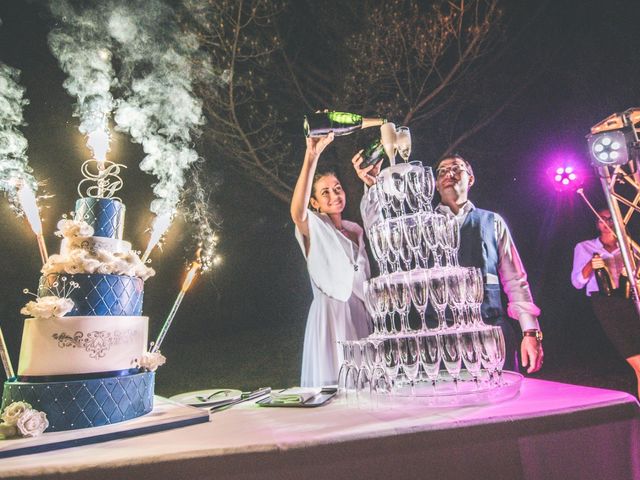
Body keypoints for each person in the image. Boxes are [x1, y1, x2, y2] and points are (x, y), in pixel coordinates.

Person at [353, 153, 544, 373]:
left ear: (470, 179)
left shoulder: (492, 222)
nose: (448, 174)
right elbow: (381, 236)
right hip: (440, 339)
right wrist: (373, 189)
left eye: (456, 168)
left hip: (491, 333)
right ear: (434, 184)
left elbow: (516, 281)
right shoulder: (420, 226)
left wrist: (530, 332)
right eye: (441, 171)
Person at [291, 133, 372, 387]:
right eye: (324, 192)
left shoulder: (356, 231)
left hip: (360, 314)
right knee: (335, 385)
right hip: (330, 319)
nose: (334, 194)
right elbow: (297, 212)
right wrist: (311, 156)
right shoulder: (313, 228)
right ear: (315, 203)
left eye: (337, 188)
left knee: (365, 385)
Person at [571, 208, 640, 398]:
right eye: (602, 220)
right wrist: (590, 266)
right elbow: (577, 282)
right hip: (606, 304)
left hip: (632, 300)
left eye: (611, 219)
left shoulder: (629, 246)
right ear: (597, 224)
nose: (607, 223)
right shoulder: (585, 247)